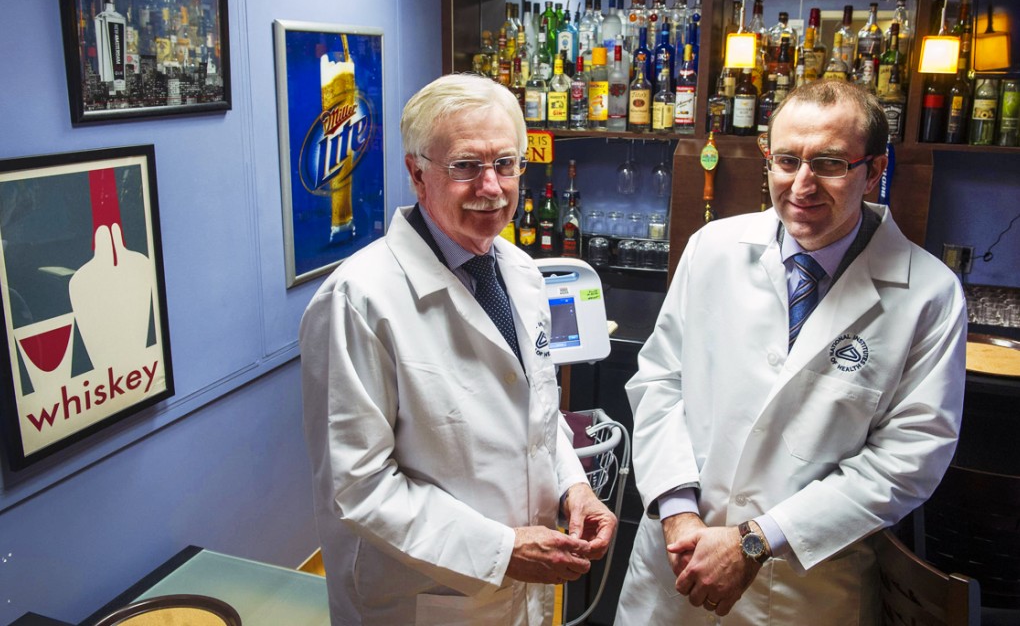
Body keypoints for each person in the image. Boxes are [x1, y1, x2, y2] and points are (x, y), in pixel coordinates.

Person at [614, 79, 966, 625]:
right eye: (785, 160)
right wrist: (679, 515)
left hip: (805, 588)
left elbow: (906, 463)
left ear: (874, 170)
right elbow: (659, 382)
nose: (801, 184)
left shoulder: (929, 293)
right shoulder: (713, 247)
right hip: (676, 565)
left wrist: (755, 542)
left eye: (829, 163)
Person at [300, 72, 616, 625]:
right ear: (416, 174)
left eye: (506, 164)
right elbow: (360, 486)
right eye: (466, 166)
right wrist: (502, 551)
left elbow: (537, 418)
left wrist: (574, 488)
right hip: (424, 600)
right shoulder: (359, 300)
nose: (492, 187)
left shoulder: (518, 271)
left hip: (522, 592)